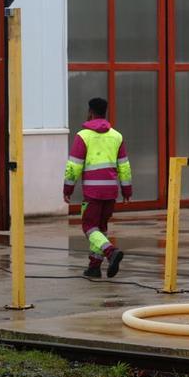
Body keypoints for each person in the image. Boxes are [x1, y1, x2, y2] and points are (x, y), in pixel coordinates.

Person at [64, 97, 130, 278]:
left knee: (89, 227)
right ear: (105, 112)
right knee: (101, 227)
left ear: (90, 112)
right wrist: (126, 190)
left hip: (93, 192)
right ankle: (94, 266)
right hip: (110, 191)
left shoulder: (83, 136)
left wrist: (68, 189)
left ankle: (110, 252)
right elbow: (124, 166)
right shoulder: (117, 136)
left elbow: (74, 166)